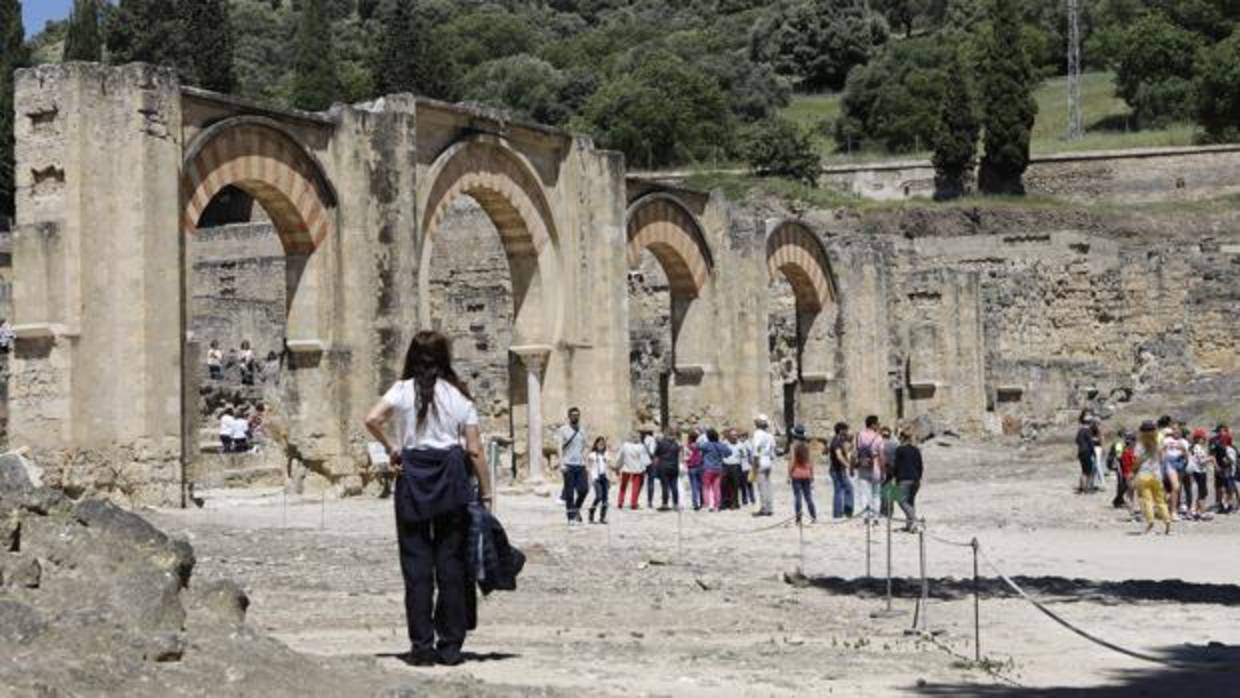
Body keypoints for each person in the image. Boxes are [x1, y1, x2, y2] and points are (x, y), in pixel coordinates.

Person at [363, 330, 493, 666]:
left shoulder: (402, 391)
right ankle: (450, 646)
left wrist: (394, 449)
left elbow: (372, 419)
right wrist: (488, 492)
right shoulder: (459, 397)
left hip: (413, 477)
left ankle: (421, 646)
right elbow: (475, 450)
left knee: (416, 566)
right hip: (451, 478)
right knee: (450, 564)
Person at [1133, 420, 1171, 535]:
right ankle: (1167, 520)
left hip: (1144, 474)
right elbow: (1162, 458)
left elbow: (1138, 460)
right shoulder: (1158, 442)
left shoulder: (1139, 444)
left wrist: (1132, 471)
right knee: (1160, 500)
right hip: (1156, 474)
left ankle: (1150, 522)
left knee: (1147, 500)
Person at [557, 407, 589, 524]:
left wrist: (586, 462)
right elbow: (559, 447)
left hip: (580, 464)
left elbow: (585, 446)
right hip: (568, 464)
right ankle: (570, 517)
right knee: (569, 492)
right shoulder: (563, 430)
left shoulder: (582, 430)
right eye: (573, 415)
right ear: (569, 416)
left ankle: (576, 509)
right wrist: (561, 464)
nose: (575, 417)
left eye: (577, 415)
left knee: (584, 490)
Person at [854, 416, 885, 520]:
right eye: (877, 424)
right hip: (875, 465)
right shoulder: (878, 437)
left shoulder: (860, 435)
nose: (878, 425)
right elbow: (881, 455)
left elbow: (858, 450)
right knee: (876, 493)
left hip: (863, 464)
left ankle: (865, 515)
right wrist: (883, 470)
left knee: (864, 492)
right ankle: (876, 516)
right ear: (873, 425)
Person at [893, 429, 924, 532]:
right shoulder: (916, 450)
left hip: (904, 478)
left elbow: (896, 466)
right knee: (910, 502)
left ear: (902, 438)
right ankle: (910, 526)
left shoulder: (899, 450)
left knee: (901, 501)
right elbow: (920, 466)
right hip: (915, 479)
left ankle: (914, 521)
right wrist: (918, 477)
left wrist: (895, 477)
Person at [787, 425, 817, 525]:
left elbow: (792, 461)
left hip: (796, 474)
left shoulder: (793, 446)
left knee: (798, 497)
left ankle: (798, 519)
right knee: (808, 497)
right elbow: (811, 462)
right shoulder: (807, 446)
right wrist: (812, 475)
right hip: (806, 474)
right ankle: (813, 516)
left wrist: (788, 474)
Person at [699, 429, 732, 512]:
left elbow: (699, 447)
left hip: (708, 468)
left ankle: (706, 505)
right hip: (718, 469)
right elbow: (729, 452)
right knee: (716, 488)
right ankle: (717, 506)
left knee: (706, 487)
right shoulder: (721, 445)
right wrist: (723, 455)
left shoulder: (706, 445)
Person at [1160, 424, 1189, 520]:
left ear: (1181, 431)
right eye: (1173, 429)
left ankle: (1171, 510)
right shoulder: (1167, 440)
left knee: (1176, 489)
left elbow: (1187, 457)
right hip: (1169, 463)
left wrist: (1183, 449)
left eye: (1177, 429)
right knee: (1175, 486)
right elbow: (1161, 452)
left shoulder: (1184, 442)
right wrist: (1162, 462)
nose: (1175, 431)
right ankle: (1173, 512)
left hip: (1180, 463)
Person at [751, 415, 776, 517]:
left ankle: (764, 508)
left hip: (760, 460)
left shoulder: (757, 434)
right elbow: (773, 450)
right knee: (768, 486)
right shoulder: (769, 435)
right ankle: (770, 508)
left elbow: (756, 449)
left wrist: (755, 463)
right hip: (768, 461)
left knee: (761, 487)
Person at [829, 422, 853, 519]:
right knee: (847, 489)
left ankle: (838, 513)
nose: (847, 432)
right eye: (846, 430)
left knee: (839, 491)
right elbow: (839, 456)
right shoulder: (836, 442)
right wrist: (847, 465)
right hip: (837, 470)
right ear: (841, 430)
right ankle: (847, 512)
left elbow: (846, 452)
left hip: (837, 470)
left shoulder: (839, 440)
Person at [1187, 428, 1212, 520]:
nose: (1204, 439)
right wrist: (1210, 459)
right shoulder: (1198, 447)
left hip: (1199, 471)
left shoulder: (1194, 447)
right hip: (1199, 472)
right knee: (1202, 493)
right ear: (1198, 438)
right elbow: (1201, 461)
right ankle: (1202, 512)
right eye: (1202, 438)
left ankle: (1196, 512)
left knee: (1202, 492)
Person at [616, 433, 646, 511]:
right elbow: (644, 459)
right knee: (635, 488)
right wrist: (644, 469)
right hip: (637, 469)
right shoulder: (641, 447)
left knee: (623, 486)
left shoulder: (625, 445)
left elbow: (620, 456)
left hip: (626, 468)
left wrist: (618, 466)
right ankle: (633, 503)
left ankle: (620, 502)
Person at [654, 430, 681, 511]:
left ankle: (665, 504)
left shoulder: (661, 443)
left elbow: (656, 455)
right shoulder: (676, 445)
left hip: (663, 467)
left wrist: (656, 467)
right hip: (674, 467)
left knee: (665, 486)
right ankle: (675, 504)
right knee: (674, 486)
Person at [586, 437, 611, 524]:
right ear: (596, 444)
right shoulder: (592, 455)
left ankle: (602, 517)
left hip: (604, 478)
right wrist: (590, 479)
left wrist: (609, 479)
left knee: (605, 499)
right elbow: (588, 467)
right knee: (599, 496)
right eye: (599, 443)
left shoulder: (606, 454)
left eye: (603, 444)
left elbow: (608, 466)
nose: (601, 445)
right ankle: (591, 512)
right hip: (596, 478)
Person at [721, 429, 744, 510]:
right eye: (732, 435)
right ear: (729, 436)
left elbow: (744, 455)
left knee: (735, 486)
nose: (734, 437)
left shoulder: (740, 445)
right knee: (724, 485)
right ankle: (725, 502)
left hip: (735, 466)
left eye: (735, 435)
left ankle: (735, 503)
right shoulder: (724, 443)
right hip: (726, 466)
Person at [879, 425, 899, 517]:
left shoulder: (879, 443)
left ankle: (883, 511)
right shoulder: (895, 444)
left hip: (881, 469)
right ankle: (890, 511)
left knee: (881, 491)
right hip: (893, 469)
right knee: (891, 490)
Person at [1074, 411, 1096, 494]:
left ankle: (1082, 488)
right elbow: (1091, 443)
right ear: (1089, 422)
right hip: (1087, 452)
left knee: (1083, 471)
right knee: (1089, 471)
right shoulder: (1087, 430)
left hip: (1080, 452)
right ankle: (1087, 489)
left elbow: (1076, 440)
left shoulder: (1080, 430)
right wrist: (1094, 452)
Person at [684, 430, 704, 511]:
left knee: (693, 486)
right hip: (699, 466)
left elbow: (686, 457)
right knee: (700, 485)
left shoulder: (687, 447)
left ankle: (695, 503)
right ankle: (702, 501)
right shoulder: (699, 446)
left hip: (691, 467)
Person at [735, 431, 755, 508]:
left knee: (748, 484)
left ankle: (751, 499)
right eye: (740, 437)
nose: (741, 438)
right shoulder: (744, 444)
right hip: (743, 467)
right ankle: (746, 500)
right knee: (744, 485)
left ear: (745, 437)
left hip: (746, 467)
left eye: (742, 437)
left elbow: (750, 455)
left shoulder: (746, 444)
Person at [639, 426, 657, 509]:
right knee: (650, 482)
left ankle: (635, 499)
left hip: (641, 462)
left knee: (640, 482)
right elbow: (652, 452)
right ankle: (649, 501)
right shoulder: (651, 439)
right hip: (649, 462)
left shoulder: (640, 440)